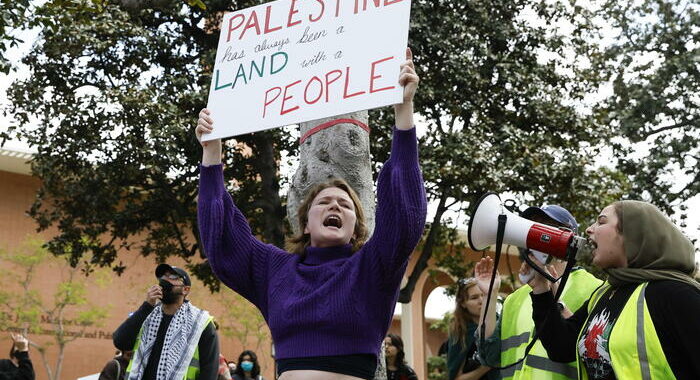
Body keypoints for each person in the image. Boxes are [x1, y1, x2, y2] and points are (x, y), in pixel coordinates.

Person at [196, 47, 426, 380]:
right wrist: (212, 156)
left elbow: (404, 216)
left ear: (356, 230)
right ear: (305, 224)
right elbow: (223, 243)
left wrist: (404, 112)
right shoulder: (276, 271)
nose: (335, 205)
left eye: (346, 205)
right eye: (325, 202)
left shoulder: (372, 268)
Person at [529, 200, 700, 379]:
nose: (589, 229)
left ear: (633, 234)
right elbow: (561, 348)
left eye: (601, 222)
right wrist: (542, 290)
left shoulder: (676, 295)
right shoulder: (605, 294)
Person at [475, 204, 603, 380]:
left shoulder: (594, 289)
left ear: (566, 236)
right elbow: (488, 356)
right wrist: (489, 295)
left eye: (543, 226)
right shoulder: (514, 299)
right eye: (530, 226)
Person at [113, 264, 219, 380]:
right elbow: (120, 342)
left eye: (173, 276)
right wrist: (147, 306)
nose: (165, 279)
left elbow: (209, 369)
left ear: (185, 289)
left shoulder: (200, 322)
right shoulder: (146, 315)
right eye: (163, 276)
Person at [445, 279, 497, 380]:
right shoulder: (461, 332)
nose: (481, 301)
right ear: (463, 304)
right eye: (474, 298)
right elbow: (456, 378)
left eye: (483, 295)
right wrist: (486, 367)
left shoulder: (500, 322)